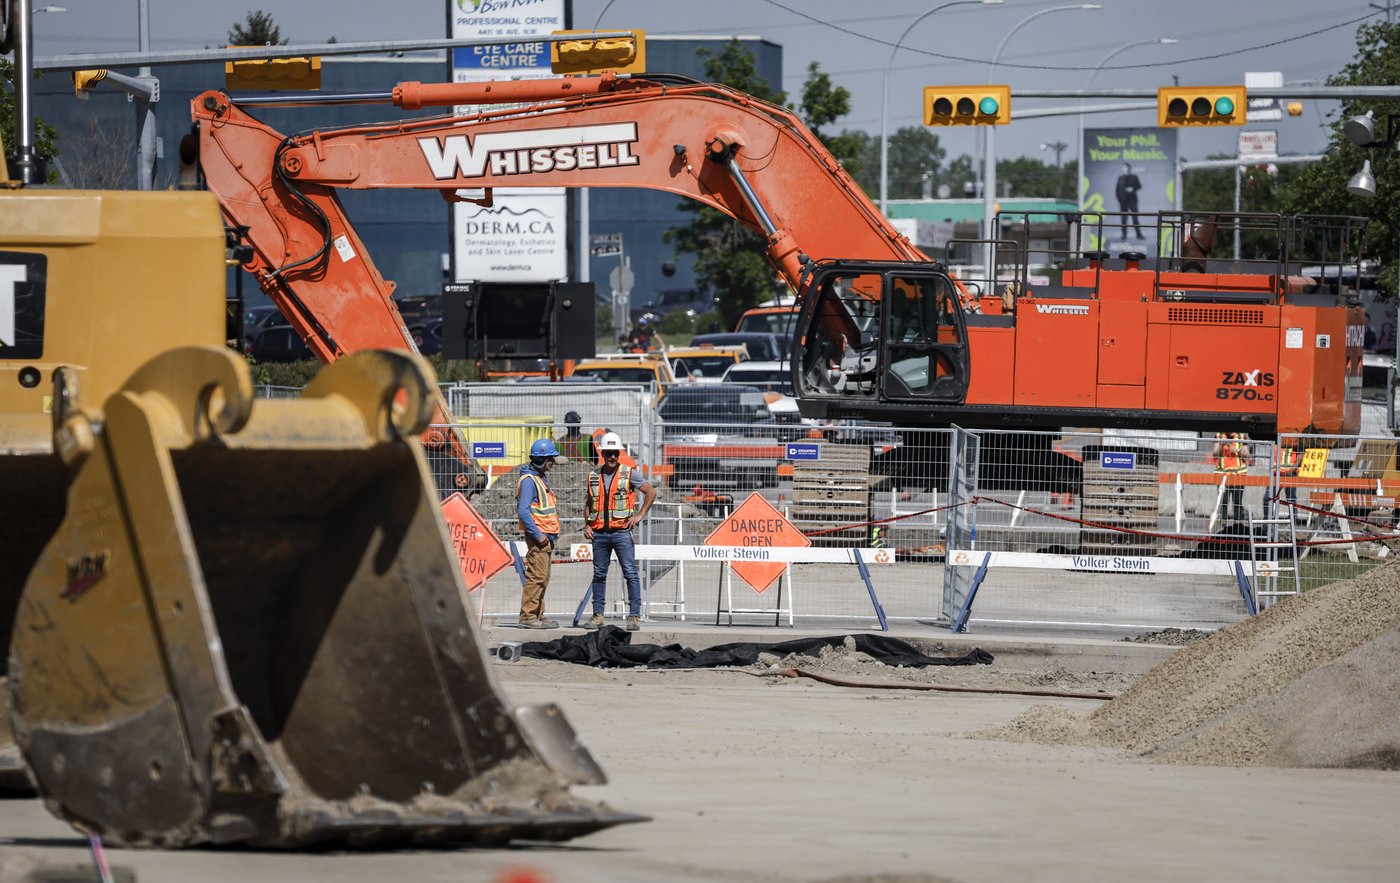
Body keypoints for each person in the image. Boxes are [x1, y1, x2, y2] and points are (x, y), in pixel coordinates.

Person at [583, 431, 657, 631]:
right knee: (599, 574)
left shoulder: (629, 473)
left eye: (615, 453)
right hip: (599, 534)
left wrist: (639, 515)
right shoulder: (593, 476)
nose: (612, 457)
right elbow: (589, 503)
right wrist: (588, 524)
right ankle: (598, 615)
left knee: (630, 573)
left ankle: (634, 616)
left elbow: (651, 492)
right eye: (609, 453)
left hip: (621, 533)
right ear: (603, 454)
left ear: (619, 453)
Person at [516, 438, 562, 629]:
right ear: (543, 459)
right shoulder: (529, 481)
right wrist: (538, 535)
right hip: (539, 537)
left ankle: (538, 615)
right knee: (536, 576)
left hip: (546, 536)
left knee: (543, 577)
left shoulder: (540, 478)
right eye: (551, 459)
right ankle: (528, 616)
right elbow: (523, 511)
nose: (553, 463)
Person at [1212, 432, 1252, 523]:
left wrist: (1235, 450)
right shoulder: (1219, 436)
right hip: (1222, 475)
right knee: (1224, 501)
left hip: (1238, 474)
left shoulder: (1241, 436)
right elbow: (1215, 454)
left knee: (1237, 501)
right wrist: (1221, 447)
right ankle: (1223, 522)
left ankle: (1238, 524)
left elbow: (1247, 455)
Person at [1115, 162, 1144, 241]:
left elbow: (1139, 186)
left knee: (1135, 218)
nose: (1124, 169)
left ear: (1129, 168)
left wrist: (1133, 188)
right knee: (1124, 218)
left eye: (1125, 168)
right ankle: (1124, 235)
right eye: (1123, 168)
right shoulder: (1120, 178)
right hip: (1123, 201)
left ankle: (1139, 235)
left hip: (1132, 200)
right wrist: (1119, 199)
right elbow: (1117, 190)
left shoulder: (1134, 177)